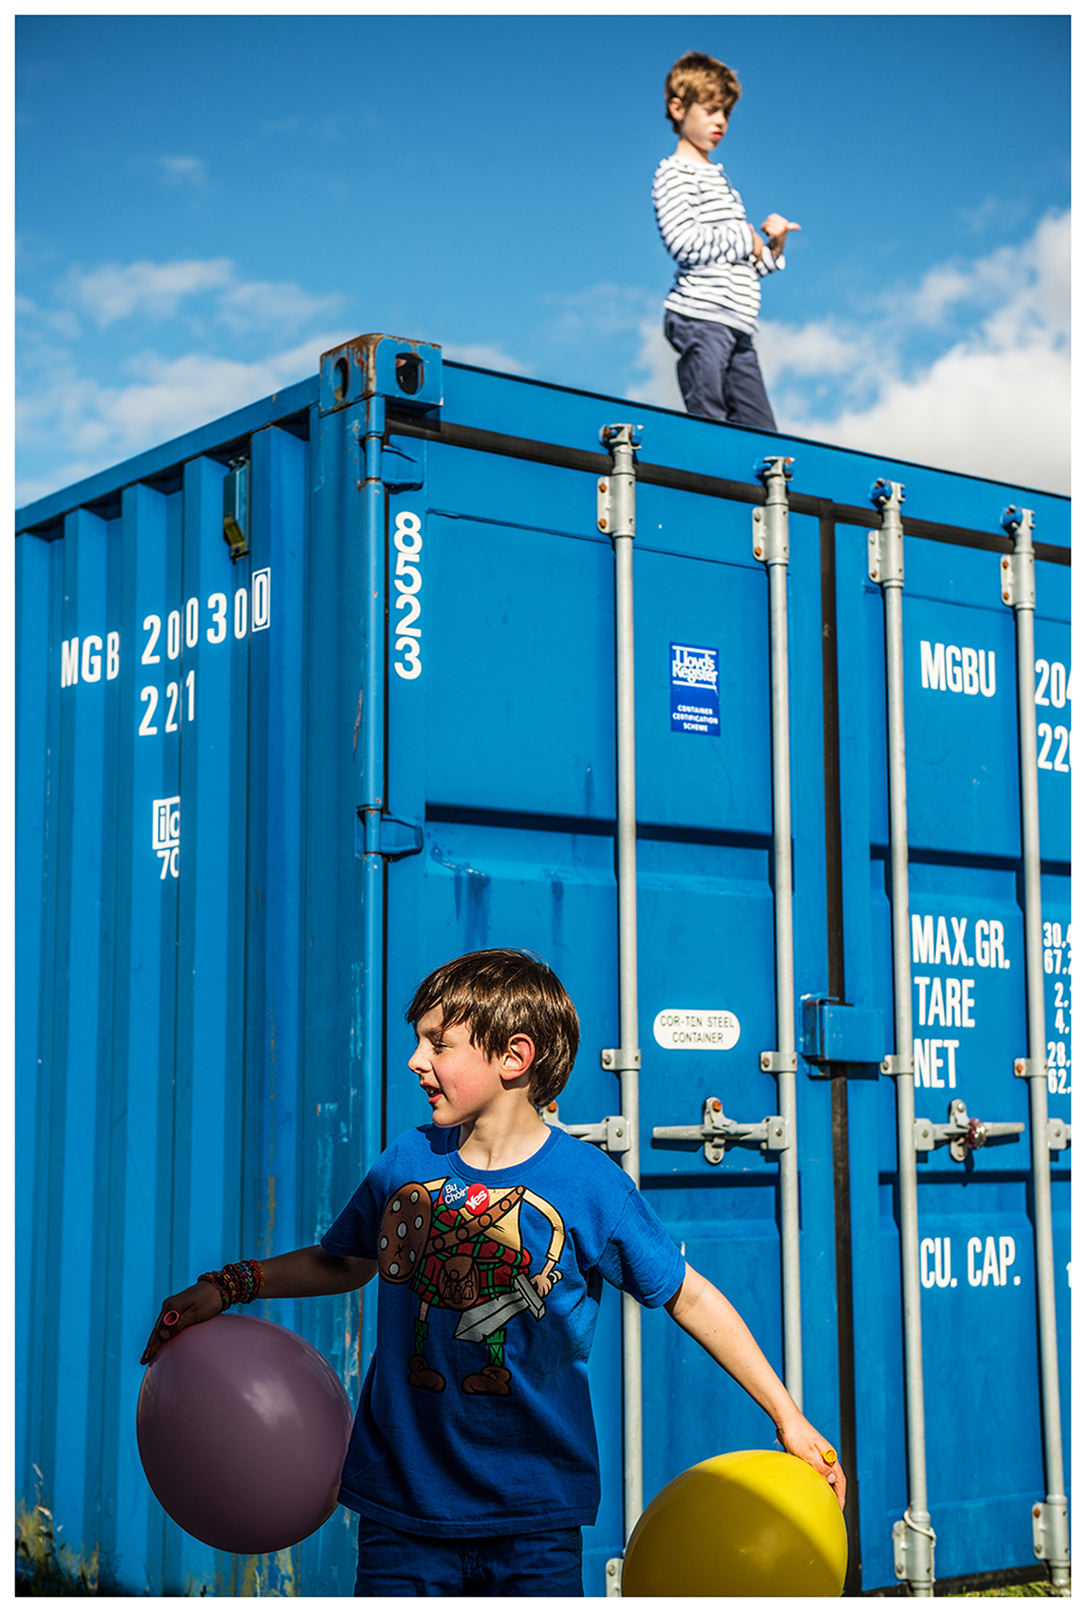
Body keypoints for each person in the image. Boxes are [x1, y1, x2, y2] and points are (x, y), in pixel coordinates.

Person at [143, 948, 845, 1597]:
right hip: (402, 1516)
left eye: (438, 1044)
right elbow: (344, 1260)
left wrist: (787, 1417)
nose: (415, 1061)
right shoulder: (406, 1161)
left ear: (514, 1056)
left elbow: (687, 1296)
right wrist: (229, 1286)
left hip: (534, 1524)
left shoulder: (589, 1184)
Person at [653, 50, 800, 431]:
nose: (720, 121)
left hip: (738, 324)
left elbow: (743, 264)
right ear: (678, 108)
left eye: (726, 113)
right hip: (702, 317)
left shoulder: (720, 180)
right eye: (710, 110)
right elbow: (683, 242)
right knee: (710, 420)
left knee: (761, 431)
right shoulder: (675, 173)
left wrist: (774, 247)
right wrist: (744, 237)